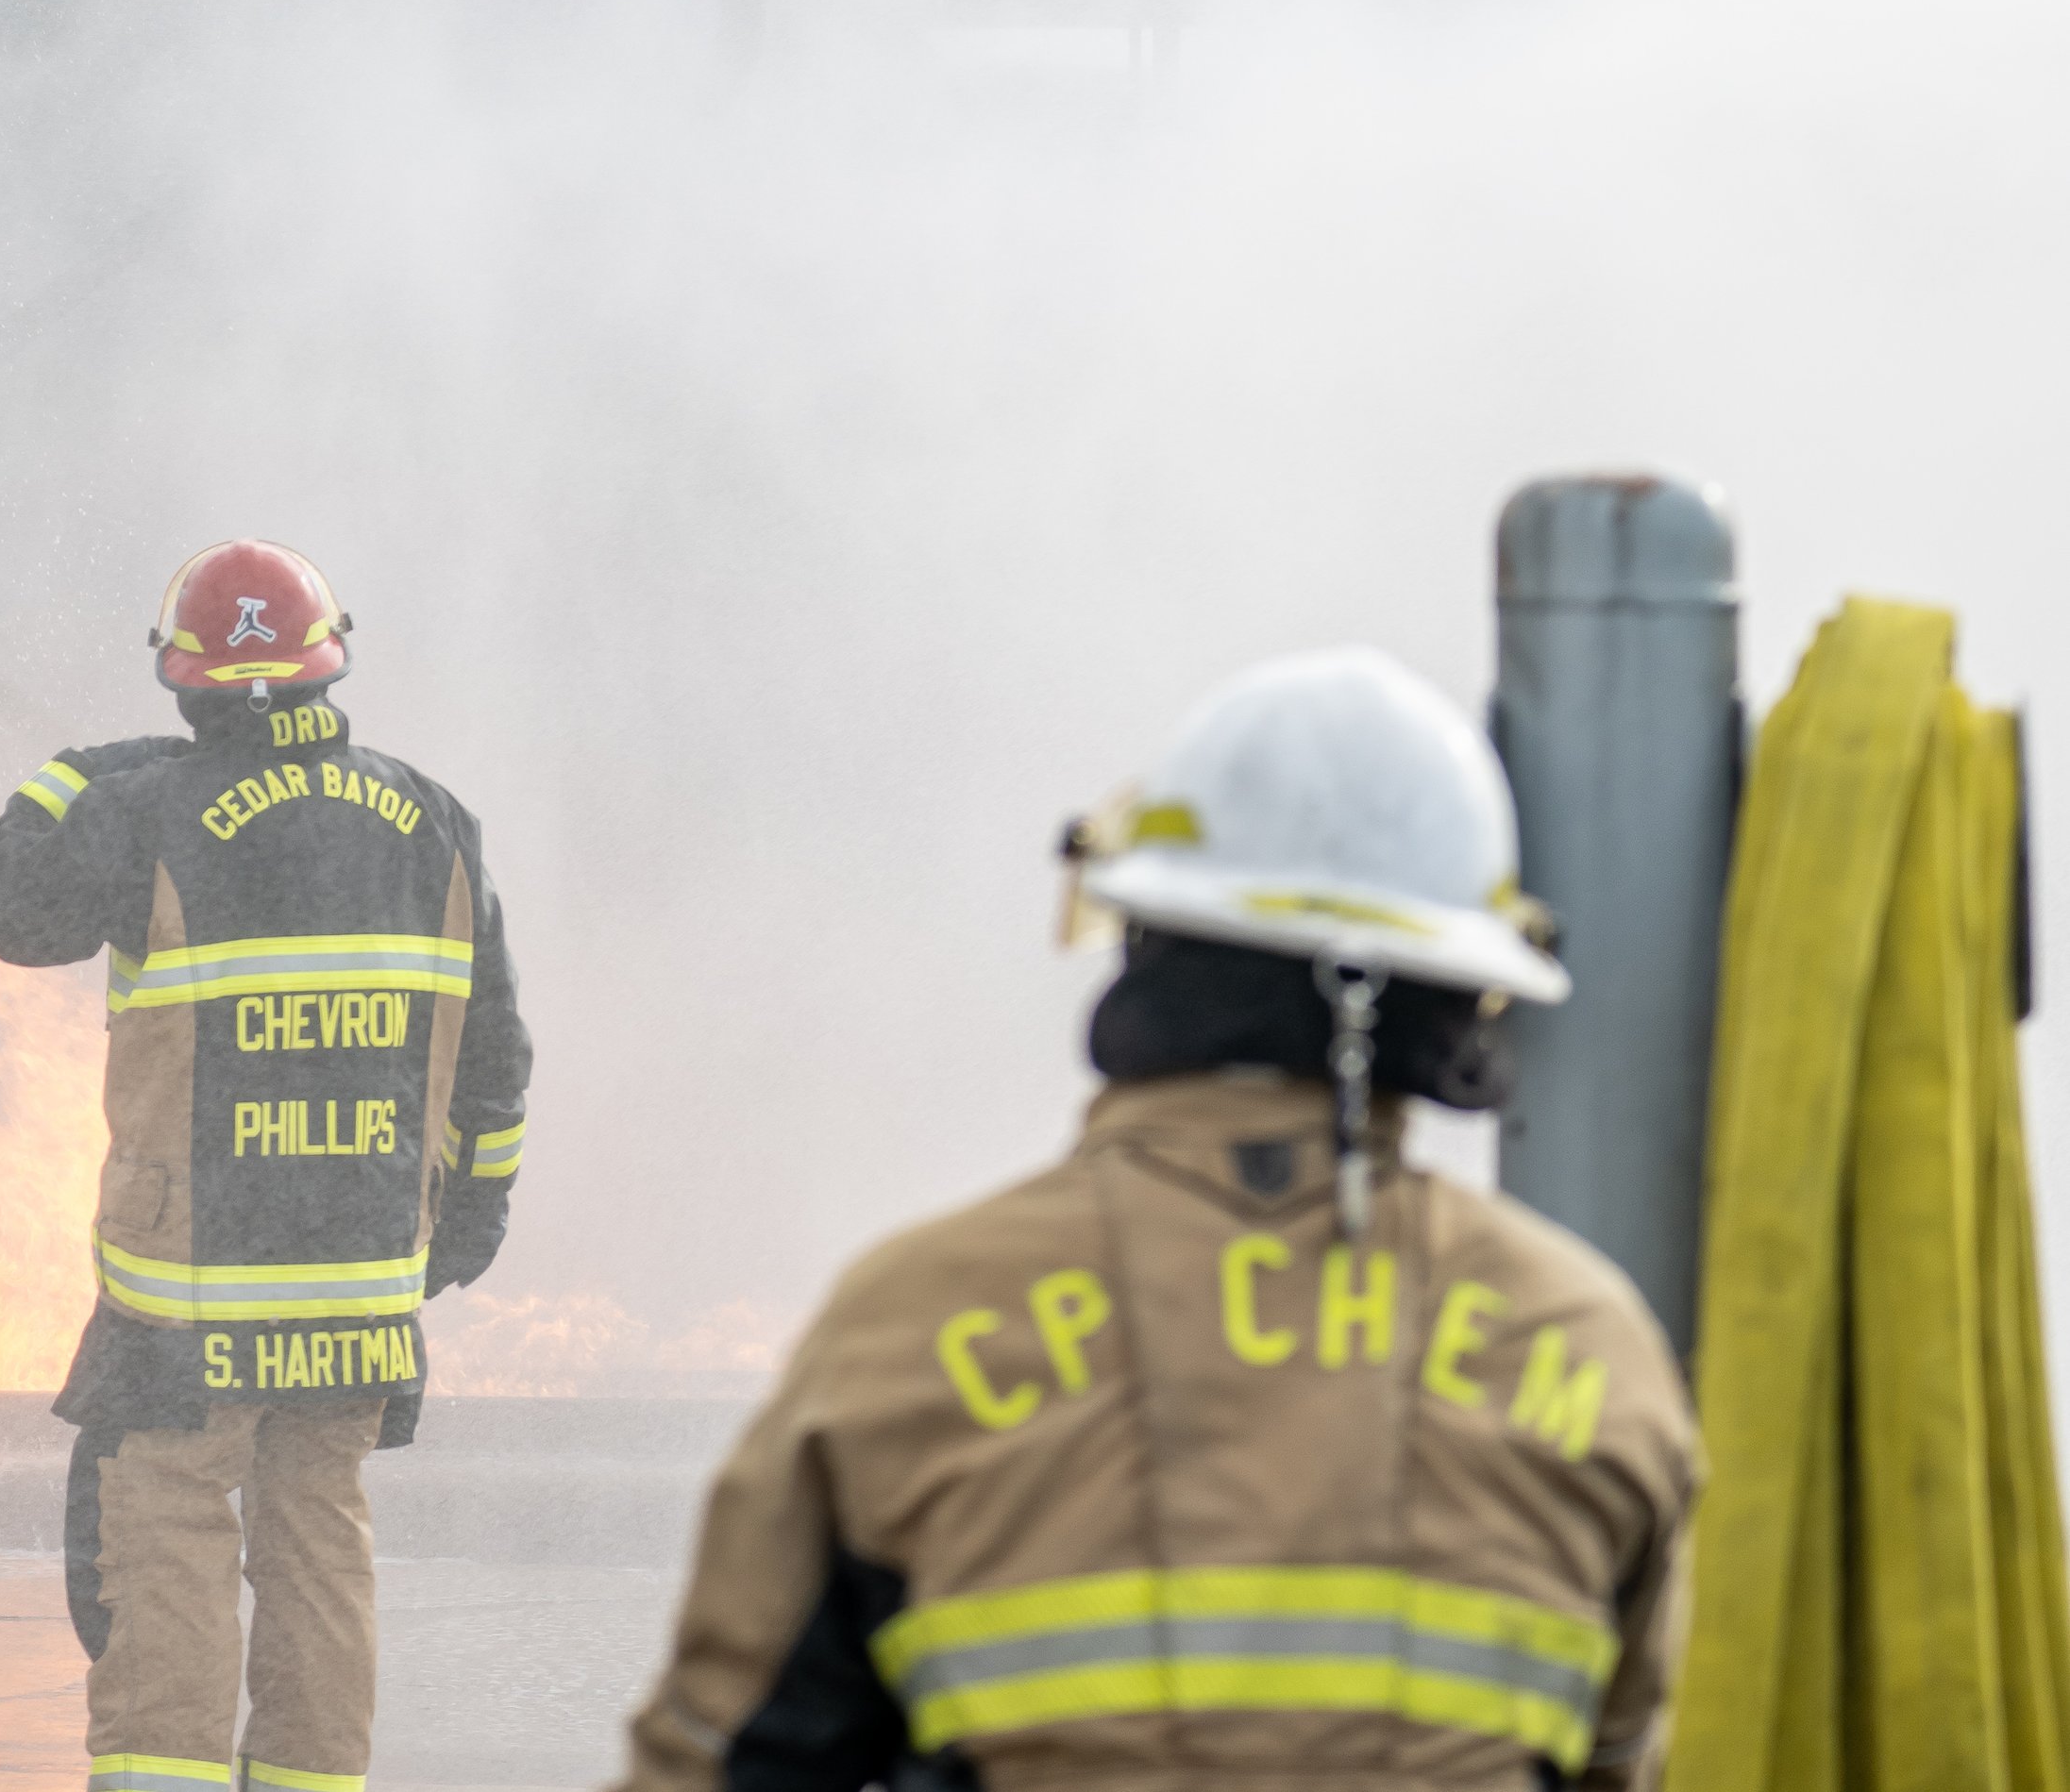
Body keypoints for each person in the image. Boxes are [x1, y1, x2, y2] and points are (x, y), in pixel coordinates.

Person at [613, 648, 1698, 1792]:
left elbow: (720, 1762)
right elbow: (1622, 1762)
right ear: (1459, 995)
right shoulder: (1587, 1349)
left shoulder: (909, 1325)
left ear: (1145, 940)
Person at [0, 539, 530, 1792]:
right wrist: (467, 1216)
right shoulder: (435, 819)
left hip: (191, 1293)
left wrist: (72, 773)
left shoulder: (148, 812)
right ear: (333, 659)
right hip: (362, 1279)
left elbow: (5, 907)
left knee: (165, 1533)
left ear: (185, 684)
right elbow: (493, 1058)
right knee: (320, 1537)